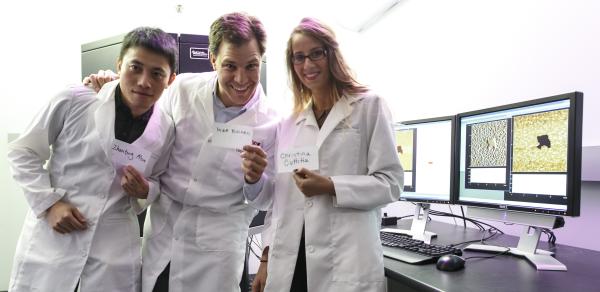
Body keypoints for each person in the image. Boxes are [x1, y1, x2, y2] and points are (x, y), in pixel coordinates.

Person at [85, 12, 278, 292]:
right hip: (166, 231)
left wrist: (254, 179)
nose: (241, 78)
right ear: (212, 60)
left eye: (251, 66)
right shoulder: (183, 89)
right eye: (229, 65)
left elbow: (271, 200)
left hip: (217, 245)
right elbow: (146, 131)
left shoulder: (272, 121)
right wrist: (110, 89)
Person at [7, 27, 178, 292]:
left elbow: (157, 182)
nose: (144, 81)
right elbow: (22, 152)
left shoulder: (165, 127)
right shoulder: (75, 100)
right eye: (135, 67)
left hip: (113, 252)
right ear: (119, 65)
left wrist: (145, 190)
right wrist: (49, 204)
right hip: (53, 241)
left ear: (170, 80)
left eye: (157, 73)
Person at [251, 17, 403, 292]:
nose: (308, 65)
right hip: (291, 264)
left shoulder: (369, 106)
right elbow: (278, 203)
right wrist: (265, 257)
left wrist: (331, 186)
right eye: (299, 58)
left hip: (345, 262)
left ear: (331, 54)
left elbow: (391, 183)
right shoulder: (289, 124)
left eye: (316, 53)